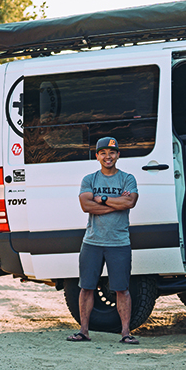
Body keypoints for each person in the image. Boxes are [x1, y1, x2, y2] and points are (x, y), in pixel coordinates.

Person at [67, 136, 140, 344]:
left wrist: (103, 199)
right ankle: (84, 331)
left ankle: (125, 333)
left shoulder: (128, 178)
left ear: (118, 155)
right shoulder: (90, 179)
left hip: (119, 242)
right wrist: (117, 203)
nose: (108, 156)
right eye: (103, 153)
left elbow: (130, 202)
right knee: (87, 287)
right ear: (97, 156)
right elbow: (85, 205)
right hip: (92, 242)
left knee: (122, 289)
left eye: (112, 152)